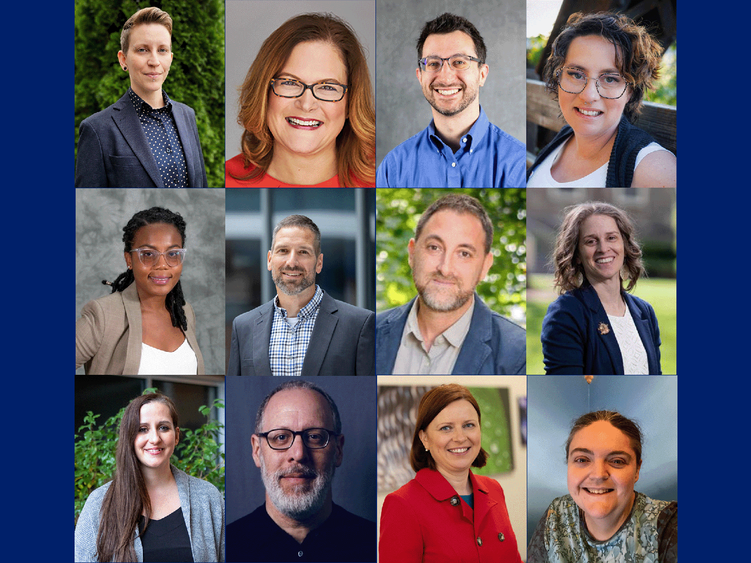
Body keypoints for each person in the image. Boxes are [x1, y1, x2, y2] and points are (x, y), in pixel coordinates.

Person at [226, 380, 376, 562]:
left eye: (314, 437)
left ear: (338, 450)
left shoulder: (375, 545)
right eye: (280, 437)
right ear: (257, 451)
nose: (298, 454)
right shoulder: (226, 547)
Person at [376, 194, 525, 374]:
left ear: (485, 266)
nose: (445, 269)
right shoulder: (367, 334)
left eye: (464, 254)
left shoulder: (517, 354)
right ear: (412, 253)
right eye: (434, 247)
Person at [527, 12, 676, 188]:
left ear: (630, 91)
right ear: (558, 78)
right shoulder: (564, 138)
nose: (589, 95)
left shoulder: (655, 169)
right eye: (576, 74)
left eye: (610, 79)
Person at [376, 13, 525, 187]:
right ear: (420, 77)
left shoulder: (518, 164)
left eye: (459, 62)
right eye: (433, 63)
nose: (446, 77)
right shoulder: (393, 168)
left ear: (482, 74)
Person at [226, 13, 375, 187]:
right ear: (264, 92)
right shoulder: (227, 180)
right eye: (289, 82)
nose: (306, 104)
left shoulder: (382, 176)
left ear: (351, 102)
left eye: (327, 87)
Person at [379, 384, 522, 562]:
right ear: (424, 438)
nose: (460, 437)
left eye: (469, 425)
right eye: (446, 428)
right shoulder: (402, 504)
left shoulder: (494, 489)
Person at [75, 392, 225, 562]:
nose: (154, 438)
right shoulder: (99, 504)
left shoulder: (208, 498)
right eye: (142, 429)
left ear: (176, 436)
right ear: (129, 437)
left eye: (163, 427)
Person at [75, 7, 207, 188]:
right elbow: (88, 206)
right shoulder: (98, 130)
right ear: (123, 59)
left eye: (162, 50)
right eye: (143, 50)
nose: (154, 61)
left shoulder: (187, 115)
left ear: (171, 57)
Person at [228, 214, 375, 376]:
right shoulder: (243, 326)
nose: (292, 262)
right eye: (283, 251)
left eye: (303, 252)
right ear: (270, 260)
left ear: (319, 263)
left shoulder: (359, 324)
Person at [527, 410, 677, 562]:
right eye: (582, 460)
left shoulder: (669, 526)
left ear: (637, 470)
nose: (598, 475)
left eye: (617, 461)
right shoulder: (556, 515)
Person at [76, 207, 205, 375]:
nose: (162, 264)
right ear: (129, 259)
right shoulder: (104, 315)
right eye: (148, 254)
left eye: (173, 253)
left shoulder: (184, 311)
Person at [541, 201, 661, 374]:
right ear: (576, 255)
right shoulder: (566, 313)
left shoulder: (645, 312)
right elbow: (566, 394)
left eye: (611, 238)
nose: (603, 248)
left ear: (625, 246)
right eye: (591, 241)